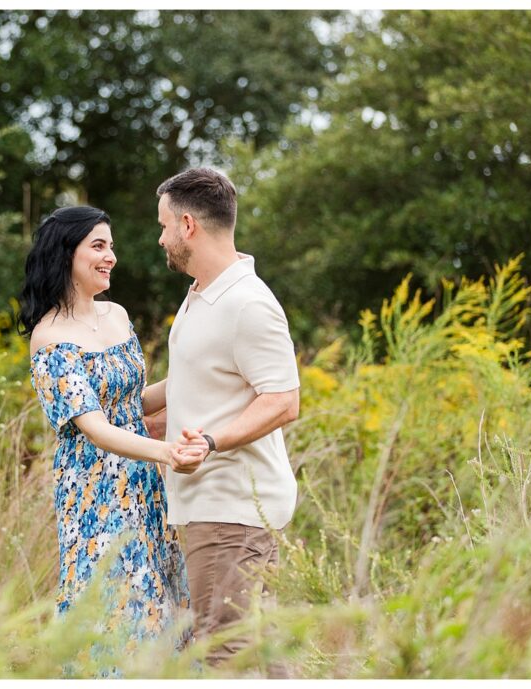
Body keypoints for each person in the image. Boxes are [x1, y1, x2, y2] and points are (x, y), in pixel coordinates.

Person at [18, 205, 207, 651]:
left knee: (162, 598)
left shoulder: (117, 315)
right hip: (94, 490)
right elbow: (96, 427)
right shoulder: (49, 337)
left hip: (142, 479)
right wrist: (165, 452)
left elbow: (130, 402)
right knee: (118, 604)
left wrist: (205, 374)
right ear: (67, 254)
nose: (111, 256)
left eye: (111, 246)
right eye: (98, 246)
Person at [142, 167, 301, 667]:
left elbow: (283, 400)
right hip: (213, 506)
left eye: (165, 224)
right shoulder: (200, 296)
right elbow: (194, 381)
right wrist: (108, 408)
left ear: (188, 225)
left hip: (233, 507)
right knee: (252, 644)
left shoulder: (248, 304)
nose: (161, 236)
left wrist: (210, 441)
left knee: (222, 650)